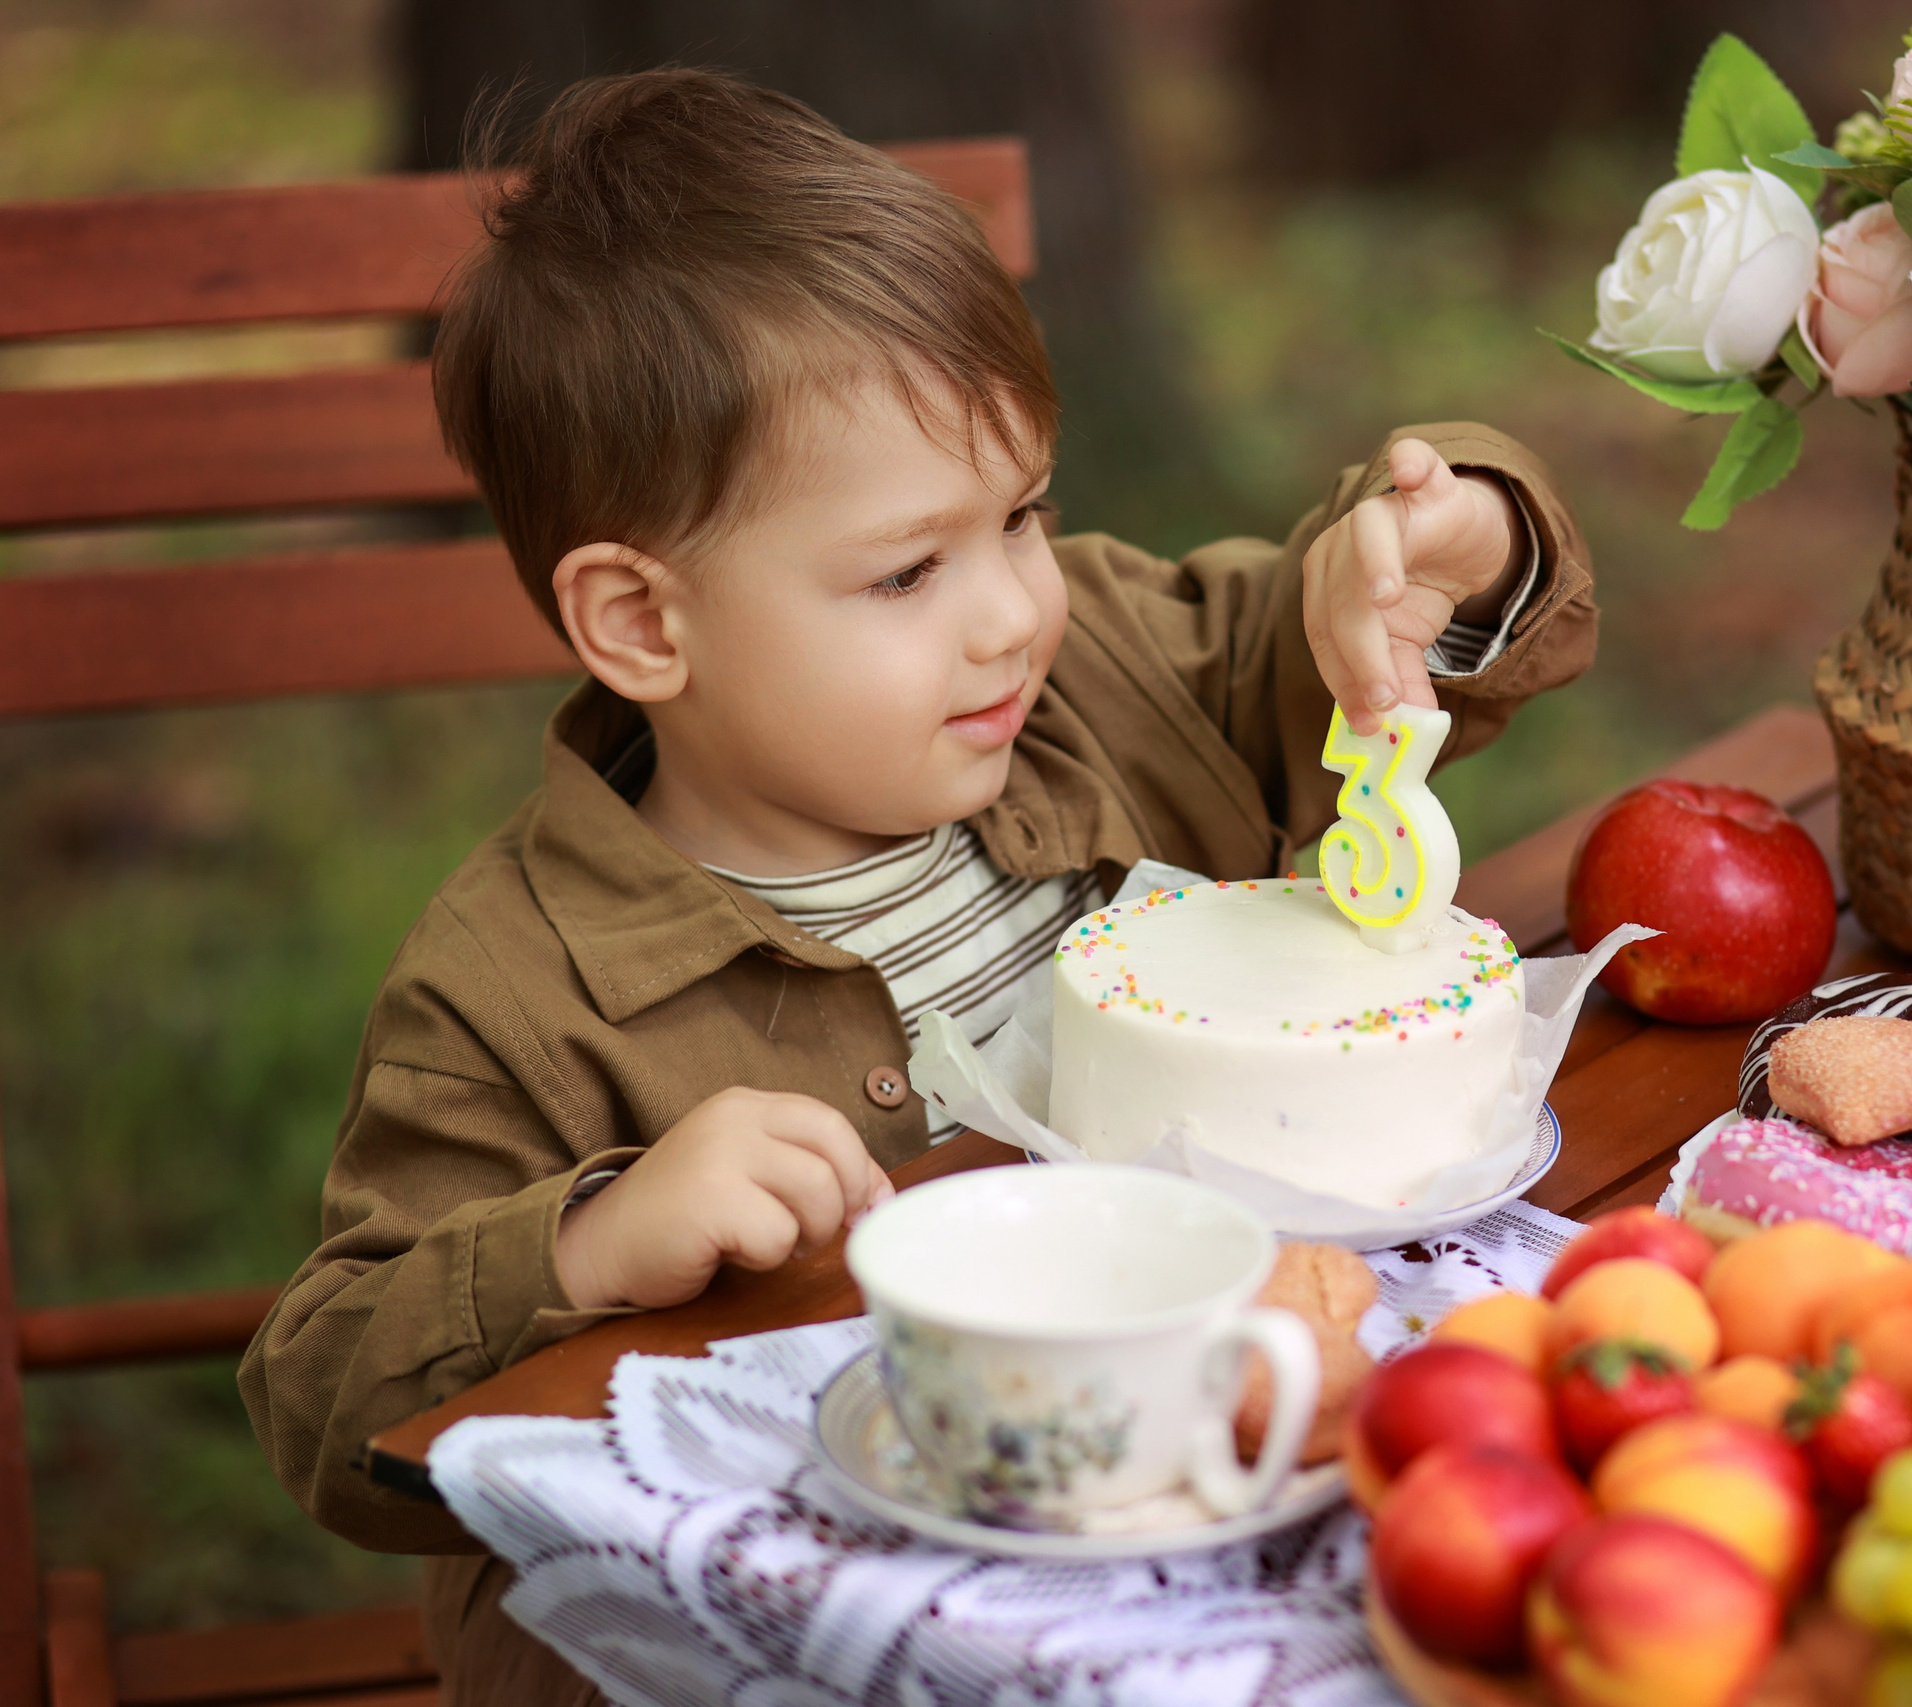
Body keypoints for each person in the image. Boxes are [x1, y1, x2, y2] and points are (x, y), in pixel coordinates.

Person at [239, 67, 1596, 1704]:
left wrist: (1449, 552)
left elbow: (1312, 638)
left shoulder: (1099, 677)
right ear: (644, 625)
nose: (1011, 614)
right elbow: (323, 1405)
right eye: (905, 571)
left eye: (1022, 514)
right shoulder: (520, 983)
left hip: (1197, 1523)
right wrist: (584, 1246)